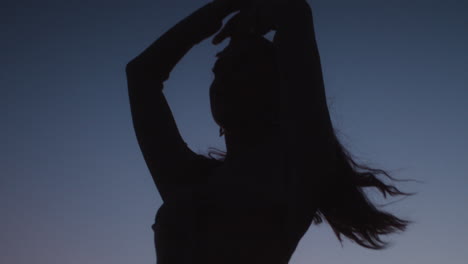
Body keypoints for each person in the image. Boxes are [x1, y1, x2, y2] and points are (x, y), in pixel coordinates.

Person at [125, 0, 411, 263]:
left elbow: (296, 13)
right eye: (218, 70)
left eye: (241, 67)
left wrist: (251, 16)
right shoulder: (190, 179)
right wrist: (219, 9)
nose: (223, 79)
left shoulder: (301, 170)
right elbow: (141, 74)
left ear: (276, 90)